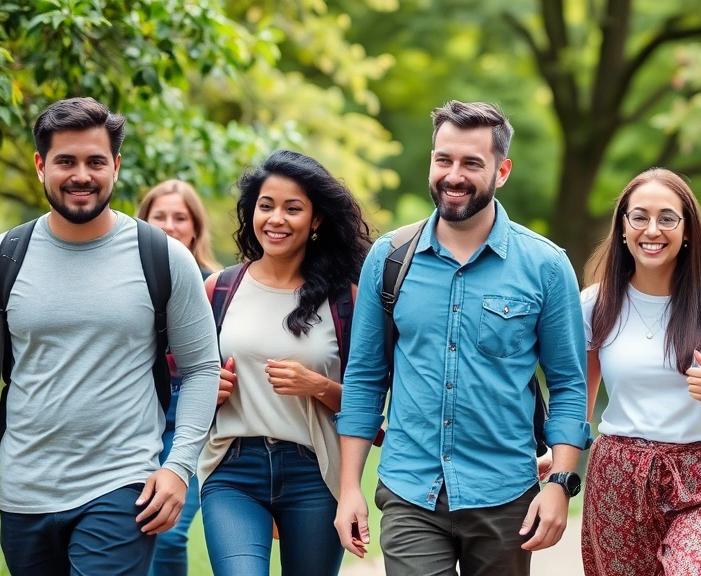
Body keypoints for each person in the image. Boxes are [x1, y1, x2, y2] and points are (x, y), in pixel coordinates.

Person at [0, 97, 220, 575]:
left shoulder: (161, 257)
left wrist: (178, 467)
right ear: (40, 165)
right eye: (65, 161)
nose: (81, 175)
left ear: (115, 165)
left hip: (123, 487)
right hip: (24, 492)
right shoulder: (1, 257)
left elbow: (201, 368)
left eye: (95, 161)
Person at [334, 100, 590, 576]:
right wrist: (350, 488)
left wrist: (559, 484)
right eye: (443, 159)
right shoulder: (388, 260)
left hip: (506, 496)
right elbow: (365, 379)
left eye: (472, 163)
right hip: (411, 489)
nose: (454, 175)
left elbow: (570, 386)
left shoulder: (547, 267)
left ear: (502, 170)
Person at [580, 168, 701, 576]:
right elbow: (578, 400)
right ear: (623, 228)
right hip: (618, 475)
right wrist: (560, 460)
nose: (653, 229)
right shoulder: (595, 305)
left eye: (667, 217)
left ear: (687, 230)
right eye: (639, 217)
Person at [197, 149, 372, 576]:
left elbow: (368, 403)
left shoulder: (346, 298)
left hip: (314, 471)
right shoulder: (218, 289)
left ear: (316, 220)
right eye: (266, 206)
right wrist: (208, 391)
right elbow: (182, 386)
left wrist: (318, 386)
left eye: (293, 209)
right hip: (233, 468)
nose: (276, 219)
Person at [137, 180, 221, 576]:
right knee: (132, 526)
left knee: (167, 529)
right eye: (159, 216)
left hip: (192, 423)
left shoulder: (219, 286)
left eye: (179, 217)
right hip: (134, 420)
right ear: (144, 222)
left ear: (195, 228)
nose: (169, 226)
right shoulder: (127, 283)